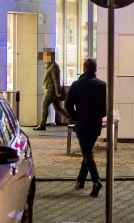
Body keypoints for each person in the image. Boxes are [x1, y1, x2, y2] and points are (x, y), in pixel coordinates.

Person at [65, 58, 107, 197]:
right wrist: (100, 115)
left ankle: (96, 180)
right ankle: (81, 180)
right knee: (87, 150)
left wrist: (75, 117)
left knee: (87, 153)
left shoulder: (77, 84)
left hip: (82, 123)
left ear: (84, 68)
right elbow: (105, 107)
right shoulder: (102, 85)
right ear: (95, 69)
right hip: (95, 123)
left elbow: (68, 105)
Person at [33, 50, 69, 130]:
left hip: (51, 90)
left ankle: (42, 124)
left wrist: (57, 92)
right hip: (51, 89)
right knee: (57, 108)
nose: (43, 58)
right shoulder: (49, 65)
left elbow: (56, 79)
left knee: (44, 105)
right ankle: (71, 120)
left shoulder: (53, 66)